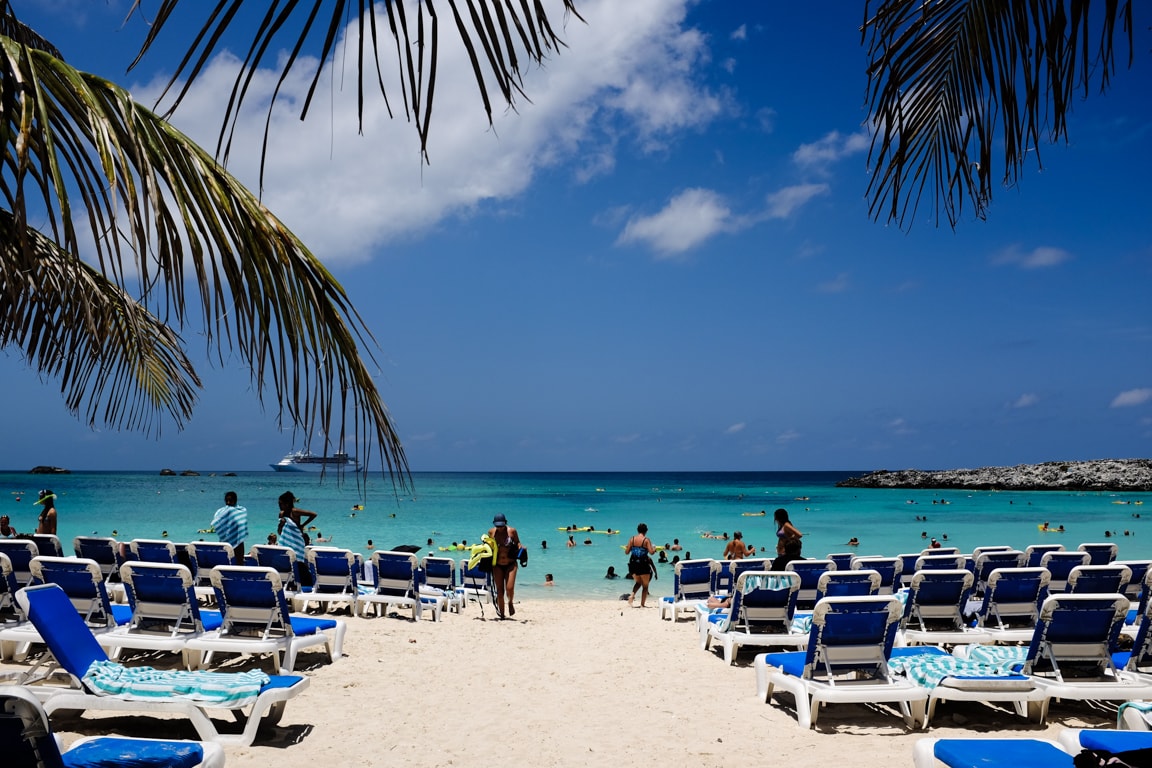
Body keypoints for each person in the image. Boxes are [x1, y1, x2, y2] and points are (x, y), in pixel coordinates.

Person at [277, 491, 317, 583]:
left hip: (297, 542)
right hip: (286, 542)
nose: (279, 506)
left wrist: (302, 525)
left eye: (281, 504)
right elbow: (280, 533)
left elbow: (313, 514)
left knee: (298, 563)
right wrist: (281, 525)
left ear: (287, 504)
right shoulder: (281, 514)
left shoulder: (294, 512)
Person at [488, 513, 521, 619]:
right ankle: (502, 615)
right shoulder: (491, 532)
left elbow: (518, 543)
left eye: (501, 525)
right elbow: (488, 547)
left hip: (511, 564)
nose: (500, 528)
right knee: (500, 591)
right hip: (497, 565)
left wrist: (521, 549)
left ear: (505, 523)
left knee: (509, 588)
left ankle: (510, 602)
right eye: (498, 526)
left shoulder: (512, 531)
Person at [211, 491, 248, 564]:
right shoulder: (221, 511)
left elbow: (242, 525)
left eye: (230, 501)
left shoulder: (241, 511)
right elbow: (216, 522)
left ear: (235, 501)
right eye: (226, 501)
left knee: (239, 563)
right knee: (225, 562)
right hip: (225, 541)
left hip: (238, 541)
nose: (228, 502)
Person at [626, 523, 656, 608]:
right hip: (643, 564)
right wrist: (654, 549)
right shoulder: (646, 540)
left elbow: (626, 552)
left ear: (637, 530)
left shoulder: (632, 539)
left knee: (638, 582)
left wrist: (630, 547)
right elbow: (651, 552)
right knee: (645, 586)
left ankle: (632, 596)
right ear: (646, 531)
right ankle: (642, 604)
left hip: (632, 564)